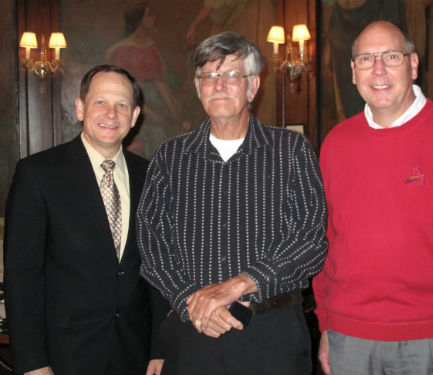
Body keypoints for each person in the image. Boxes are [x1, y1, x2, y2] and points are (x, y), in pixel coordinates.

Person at [313, 20, 433, 375]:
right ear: (353, 72)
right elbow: (328, 243)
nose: (378, 69)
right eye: (366, 59)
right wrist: (326, 325)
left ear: (413, 65)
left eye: (391, 56)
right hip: (349, 338)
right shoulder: (335, 144)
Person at [137, 31, 328, 374]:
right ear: (197, 88)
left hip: (272, 336)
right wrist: (190, 303)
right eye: (209, 76)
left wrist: (238, 285)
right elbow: (153, 245)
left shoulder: (292, 151)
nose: (219, 85)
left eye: (231, 75)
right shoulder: (170, 157)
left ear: (253, 86)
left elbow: (310, 242)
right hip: (192, 333)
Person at [4, 65, 168, 375]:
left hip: (134, 356)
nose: (111, 113)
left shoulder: (150, 177)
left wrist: (159, 348)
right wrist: (33, 362)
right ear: (80, 108)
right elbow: (22, 277)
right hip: (63, 357)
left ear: (134, 116)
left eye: (122, 105)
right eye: (100, 102)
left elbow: (156, 272)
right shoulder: (38, 174)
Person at [106, 2, 191, 158]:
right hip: (138, 106)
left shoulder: (151, 46)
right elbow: (125, 91)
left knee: (178, 138)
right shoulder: (121, 49)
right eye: (149, 14)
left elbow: (160, 82)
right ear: (139, 19)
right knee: (154, 141)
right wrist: (149, 113)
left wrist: (174, 114)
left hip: (158, 103)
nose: (153, 18)